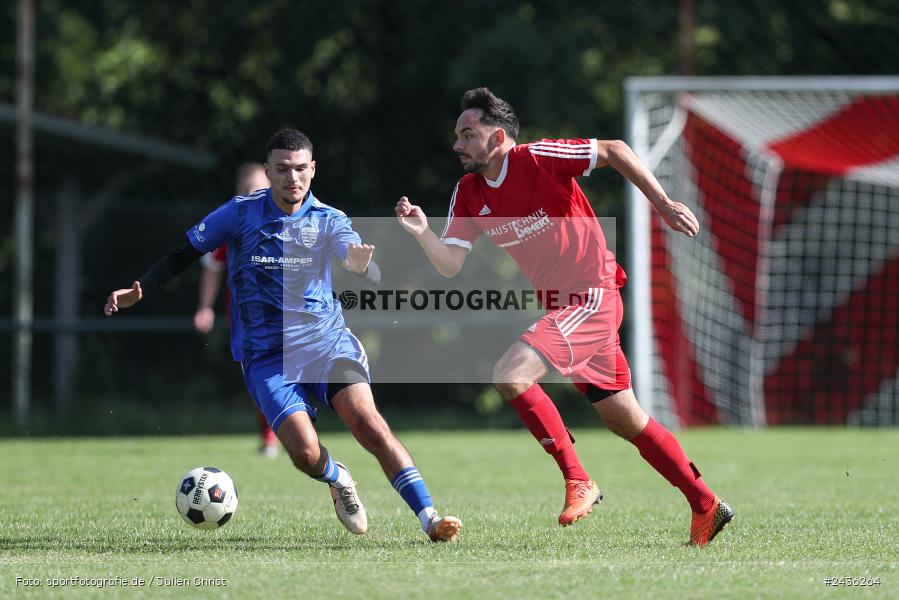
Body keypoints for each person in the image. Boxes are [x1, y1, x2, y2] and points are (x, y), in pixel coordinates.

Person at [395, 87, 732, 546]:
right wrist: (421, 233)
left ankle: (579, 479)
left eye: (468, 134)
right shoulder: (468, 193)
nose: (457, 144)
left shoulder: (537, 158)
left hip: (592, 295)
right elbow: (450, 263)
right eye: (458, 135)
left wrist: (664, 204)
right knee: (625, 419)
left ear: (497, 138)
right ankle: (706, 504)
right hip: (564, 306)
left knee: (510, 375)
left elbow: (614, 150)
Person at [106, 129, 462, 542]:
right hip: (266, 358)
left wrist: (363, 267)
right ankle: (338, 478)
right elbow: (184, 253)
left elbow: (369, 270)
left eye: (299, 169)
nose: (292, 178)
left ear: (313, 170)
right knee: (306, 452)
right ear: (268, 173)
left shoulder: (329, 219)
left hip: (327, 345)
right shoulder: (239, 213)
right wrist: (141, 289)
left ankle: (430, 518)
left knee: (369, 424)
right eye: (282, 170)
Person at [193, 163, 279, 458]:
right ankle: (270, 437)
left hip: (289, 318)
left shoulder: (287, 221)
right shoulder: (232, 226)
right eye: (245, 189)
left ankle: (291, 428)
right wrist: (204, 307)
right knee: (259, 379)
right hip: (246, 321)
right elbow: (213, 267)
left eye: (256, 188)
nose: (251, 193)